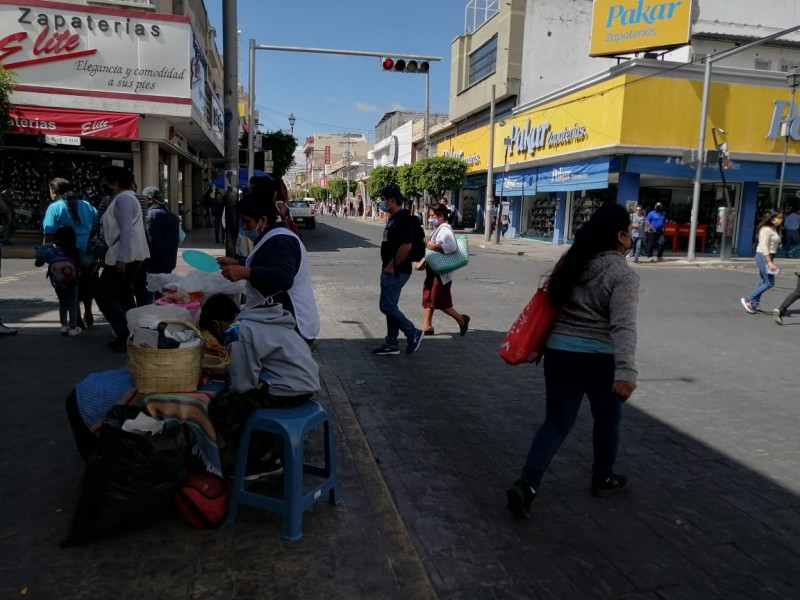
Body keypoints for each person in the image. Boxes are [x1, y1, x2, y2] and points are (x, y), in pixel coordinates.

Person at [506, 203, 639, 519]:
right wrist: (626, 371)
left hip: (560, 354)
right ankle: (603, 477)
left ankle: (528, 483)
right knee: (607, 420)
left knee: (556, 422)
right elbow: (623, 325)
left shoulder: (572, 263)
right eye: (630, 231)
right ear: (620, 237)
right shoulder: (623, 274)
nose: (633, 235)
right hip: (599, 360)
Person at [200, 293, 320, 478]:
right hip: (306, 384)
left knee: (222, 407)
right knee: (248, 401)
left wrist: (230, 379)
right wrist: (226, 370)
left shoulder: (236, 331)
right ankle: (266, 452)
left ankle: (263, 459)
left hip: (289, 391)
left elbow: (242, 385)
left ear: (216, 325)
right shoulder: (260, 322)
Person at [218, 176, 320, 347]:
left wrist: (246, 272)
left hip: (294, 325)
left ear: (263, 220)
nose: (244, 227)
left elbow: (282, 277)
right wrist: (238, 264)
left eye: (247, 222)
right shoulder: (271, 235)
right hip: (280, 321)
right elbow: (267, 264)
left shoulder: (280, 240)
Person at [93, 166, 150, 351]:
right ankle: (131, 334)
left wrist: (122, 258)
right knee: (125, 294)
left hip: (126, 256)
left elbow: (126, 230)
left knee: (104, 293)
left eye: (107, 181)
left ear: (116, 183)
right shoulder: (126, 198)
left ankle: (124, 332)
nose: (104, 185)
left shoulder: (124, 199)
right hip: (131, 255)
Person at [372, 185, 423, 356]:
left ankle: (412, 332)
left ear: (392, 200)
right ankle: (391, 342)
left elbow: (406, 246)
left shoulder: (402, 219)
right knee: (391, 306)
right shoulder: (394, 218)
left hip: (396, 271)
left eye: (384, 199)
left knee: (386, 306)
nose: (382, 203)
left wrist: (392, 265)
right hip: (392, 269)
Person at [42, 178, 98, 328]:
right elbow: (99, 221)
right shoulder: (86, 205)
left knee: (72, 285)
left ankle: (77, 318)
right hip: (87, 251)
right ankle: (88, 312)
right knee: (88, 283)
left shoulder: (54, 208)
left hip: (67, 253)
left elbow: (48, 235)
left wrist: (45, 254)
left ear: (53, 192)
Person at [420, 204, 470, 337]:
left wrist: (433, 246)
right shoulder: (438, 229)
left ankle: (461, 319)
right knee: (428, 297)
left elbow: (452, 247)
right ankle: (427, 325)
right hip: (433, 270)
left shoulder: (445, 229)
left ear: (441, 216)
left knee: (439, 301)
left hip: (441, 272)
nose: (430, 219)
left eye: (432, 216)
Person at [135, 186, 180, 305]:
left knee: (152, 295)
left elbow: (148, 240)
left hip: (153, 264)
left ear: (150, 199)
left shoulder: (149, 216)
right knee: (165, 295)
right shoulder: (173, 217)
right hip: (169, 262)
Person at [35, 226, 83, 336]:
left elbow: (39, 253)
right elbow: (86, 260)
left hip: (58, 283)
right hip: (72, 283)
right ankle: (73, 328)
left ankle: (63, 326)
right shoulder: (75, 251)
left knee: (63, 304)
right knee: (73, 305)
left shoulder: (52, 252)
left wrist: (50, 243)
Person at [742, 210, 783, 314]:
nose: (780, 220)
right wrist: (769, 261)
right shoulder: (766, 229)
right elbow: (764, 246)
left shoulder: (773, 228)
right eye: (779, 217)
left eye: (781, 218)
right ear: (772, 218)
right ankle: (748, 299)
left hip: (769, 255)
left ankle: (754, 303)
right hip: (764, 256)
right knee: (769, 283)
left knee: (762, 282)